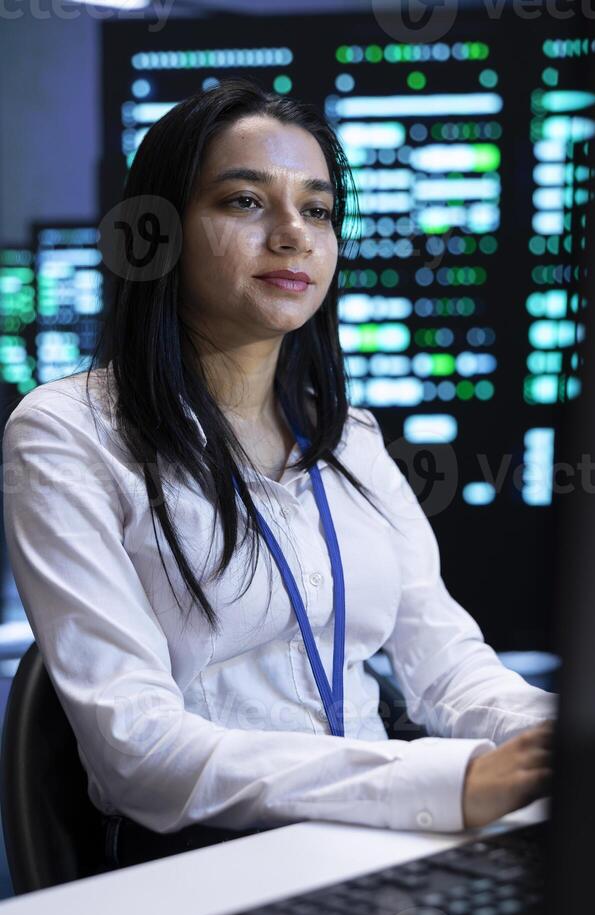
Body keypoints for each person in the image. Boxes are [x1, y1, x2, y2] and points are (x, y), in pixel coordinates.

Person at [1, 78, 555, 873]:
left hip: (379, 845)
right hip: (205, 863)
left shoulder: (349, 438)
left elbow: (449, 669)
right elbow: (139, 751)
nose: (294, 235)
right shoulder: (68, 432)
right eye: (245, 203)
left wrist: (569, 737)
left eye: (319, 210)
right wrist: (445, 777)